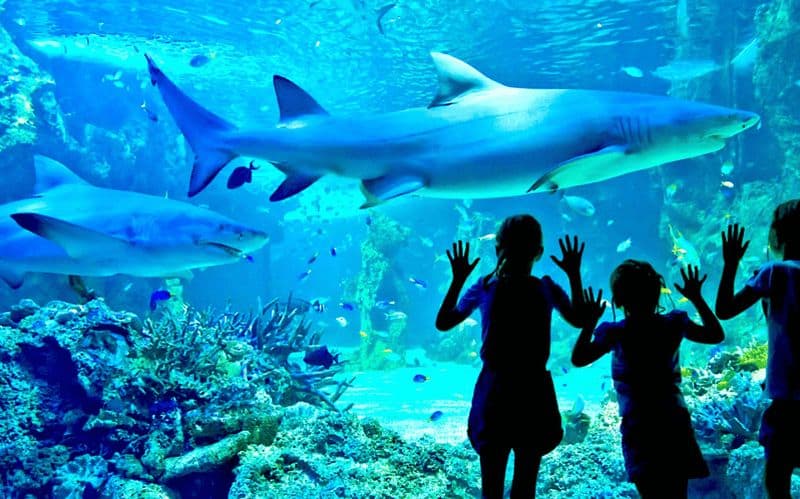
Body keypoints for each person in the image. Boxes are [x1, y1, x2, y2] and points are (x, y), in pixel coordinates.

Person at [436, 214, 585, 498]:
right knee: (525, 487)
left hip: (495, 393)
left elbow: (444, 322)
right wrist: (574, 273)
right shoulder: (546, 288)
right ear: (539, 252)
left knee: (491, 488)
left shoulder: (485, 287)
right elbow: (579, 319)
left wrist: (458, 279)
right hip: (533, 393)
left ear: (497, 249)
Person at [572, 260, 723, 498]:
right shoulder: (672, 324)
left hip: (639, 427)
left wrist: (589, 322)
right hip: (674, 423)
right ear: (657, 292)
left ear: (618, 300)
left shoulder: (616, 333)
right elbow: (715, 334)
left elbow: (579, 358)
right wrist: (696, 298)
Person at [715, 201, 800, 499]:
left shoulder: (774, 272)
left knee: (777, 480)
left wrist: (730, 263)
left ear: (776, 234)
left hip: (787, 400)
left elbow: (725, 309)